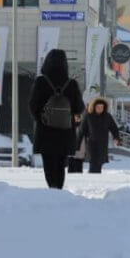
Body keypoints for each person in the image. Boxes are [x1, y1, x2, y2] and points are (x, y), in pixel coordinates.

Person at [27, 48, 84, 189]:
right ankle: (58, 190)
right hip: (65, 132)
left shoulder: (41, 81)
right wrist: (73, 122)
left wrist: (41, 120)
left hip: (45, 132)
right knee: (60, 165)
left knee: (49, 163)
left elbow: (33, 105)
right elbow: (79, 108)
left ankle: (52, 189)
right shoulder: (72, 84)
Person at [82, 97, 122, 173]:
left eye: (102, 107)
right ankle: (92, 180)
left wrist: (116, 138)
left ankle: (95, 181)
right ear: (94, 107)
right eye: (98, 107)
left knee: (99, 164)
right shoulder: (88, 116)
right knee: (93, 164)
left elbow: (114, 128)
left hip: (102, 145)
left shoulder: (107, 116)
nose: (100, 108)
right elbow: (82, 130)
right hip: (92, 144)